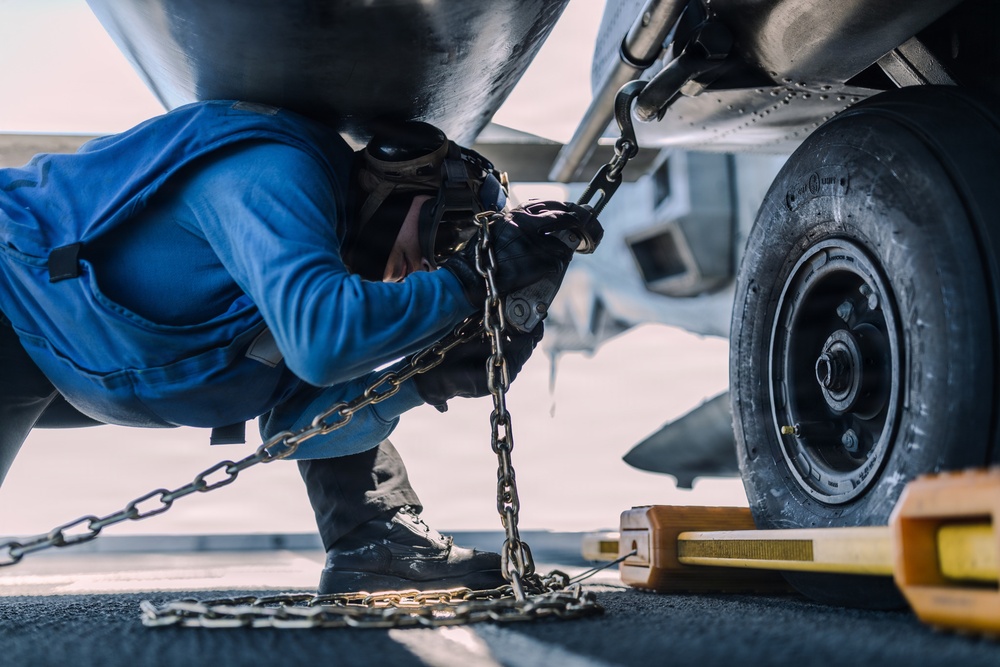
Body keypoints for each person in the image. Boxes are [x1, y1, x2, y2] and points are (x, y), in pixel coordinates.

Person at [0, 100, 596, 593]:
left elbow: (305, 422)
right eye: (446, 236)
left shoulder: (309, 271)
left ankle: (377, 542)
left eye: (453, 255)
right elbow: (326, 345)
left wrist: (426, 378)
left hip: (76, 352)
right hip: (17, 311)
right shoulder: (271, 168)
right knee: (337, 328)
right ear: (404, 192)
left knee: (341, 329)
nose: (430, 265)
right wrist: (466, 283)